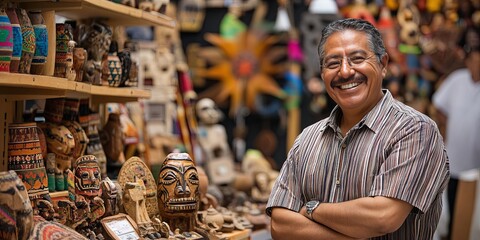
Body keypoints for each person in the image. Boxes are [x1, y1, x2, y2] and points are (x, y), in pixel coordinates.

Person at [266, 18, 450, 239]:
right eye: (333, 63)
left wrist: (313, 209)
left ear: (383, 65)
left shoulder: (415, 130)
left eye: (357, 59)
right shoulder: (307, 139)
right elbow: (279, 224)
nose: (345, 72)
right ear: (322, 73)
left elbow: (383, 216)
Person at [432, 25, 480, 239]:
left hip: (477, 170)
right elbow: (438, 106)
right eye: (473, 57)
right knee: (453, 216)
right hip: (454, 166)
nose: (474, 62)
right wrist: (445, 128)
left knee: (472, 222)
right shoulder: (458, 80)